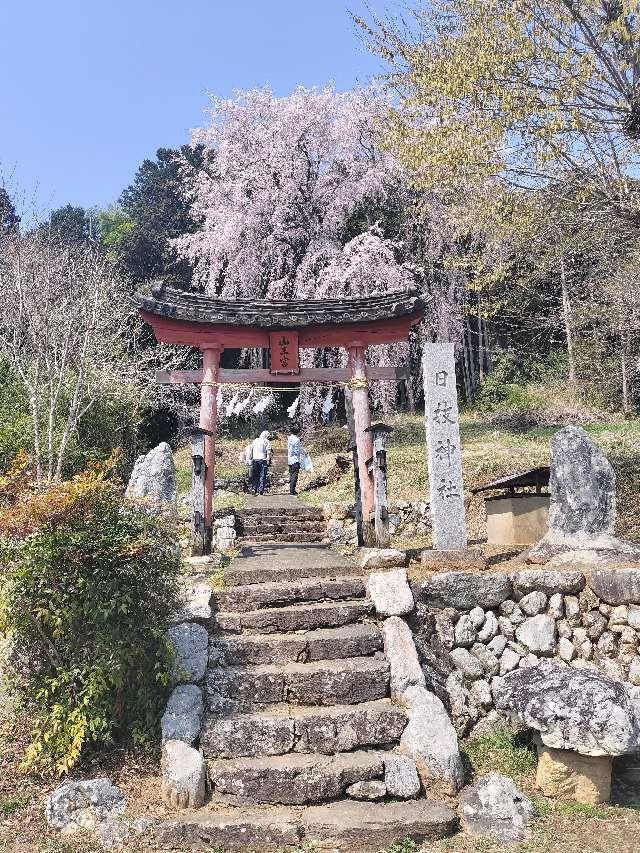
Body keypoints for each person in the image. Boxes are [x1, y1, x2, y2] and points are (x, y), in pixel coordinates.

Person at [250, 430, 272, 495]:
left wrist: (251, 457)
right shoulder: (266, 441)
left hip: (255, 459)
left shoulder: (255, 440)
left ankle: (254, 488)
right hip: (263, 459)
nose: (268, 437)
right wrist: (268, 459)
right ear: (266, 436)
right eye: (268, 436)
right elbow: (269, 451)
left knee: (255, 474)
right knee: (262, 475)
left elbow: (251, 449)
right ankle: (261, 490)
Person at [287, 425, 304, 496]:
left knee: (291, 474)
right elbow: (297, 451)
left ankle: (292, 490)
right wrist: (303, 452)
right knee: (295, 475)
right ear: (298, 432)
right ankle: (292, 491)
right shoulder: (296, 439)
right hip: (295, 459)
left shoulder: (290, 437)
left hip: (290, 459)